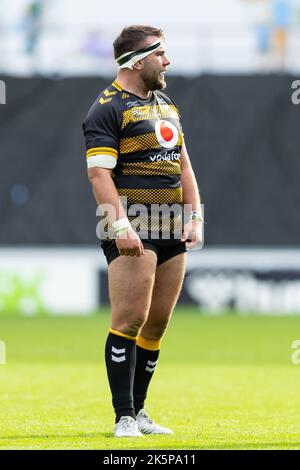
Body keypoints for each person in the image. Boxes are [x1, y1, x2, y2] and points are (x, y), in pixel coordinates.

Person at [83, 25, 203, 437]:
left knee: (156, 325)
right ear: (137, 62)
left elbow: (184, 165)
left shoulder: (166, 104)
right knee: (129, 319)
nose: (167, 62)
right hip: (133, 223)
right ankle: (124, 417)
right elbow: (100, 174)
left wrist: (195, 217)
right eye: (161, 55)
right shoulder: (107, 108)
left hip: (171, 227)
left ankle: (142, 412)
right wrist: (119, 225)